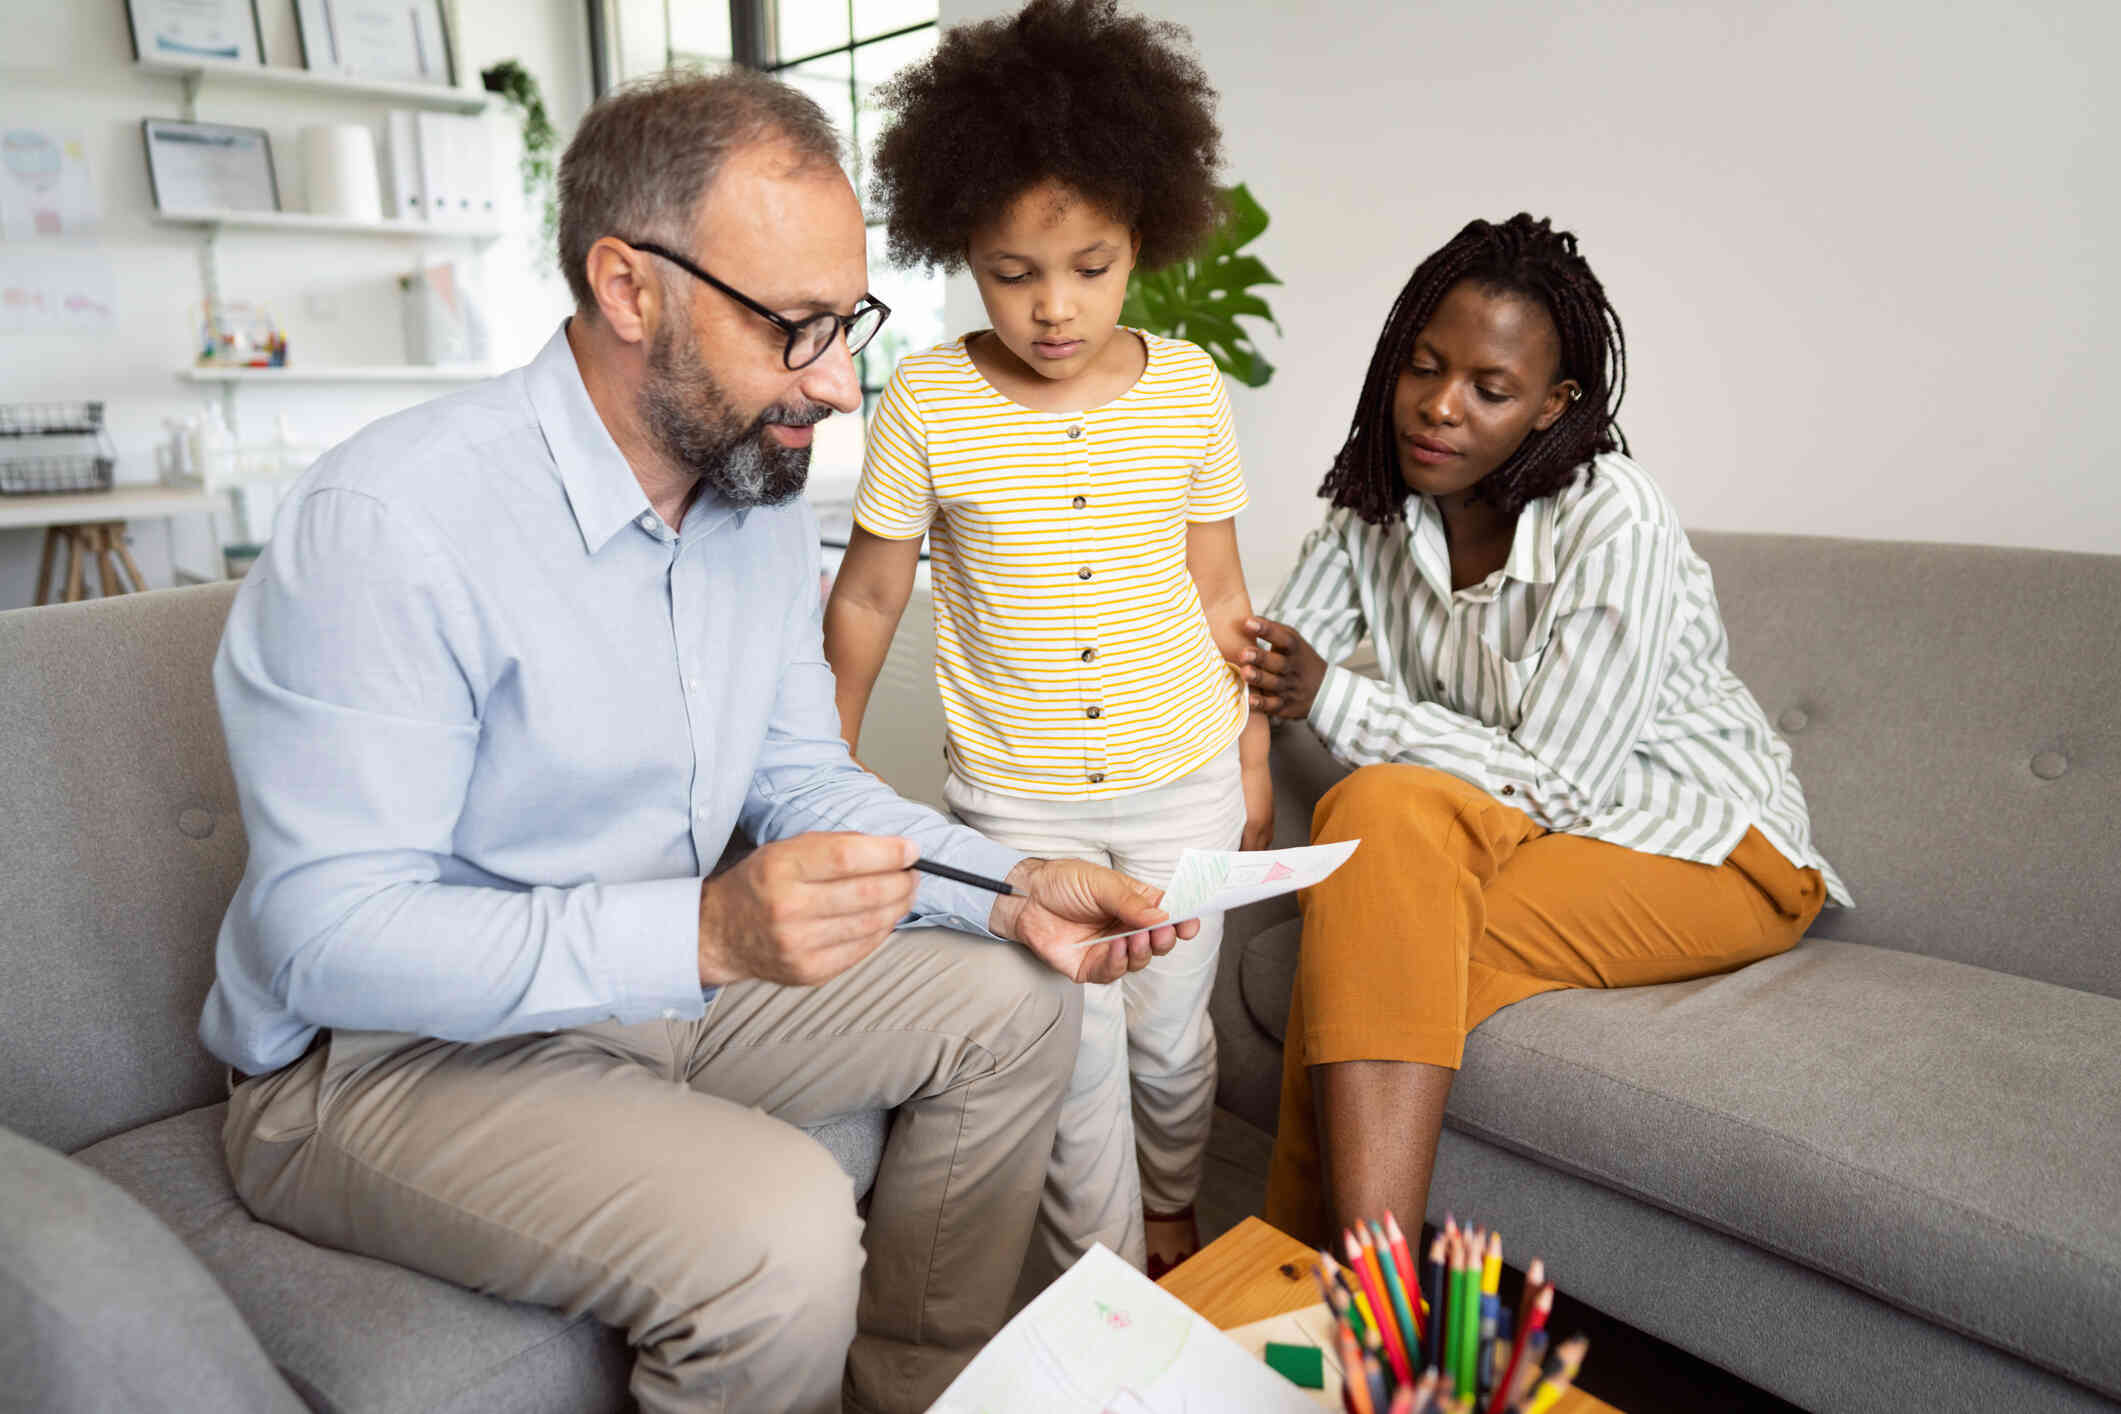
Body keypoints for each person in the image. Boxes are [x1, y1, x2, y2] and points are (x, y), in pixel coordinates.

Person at [200, 70, 1198, 1414]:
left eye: (848, 323)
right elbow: (331, 938)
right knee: (778, 1234)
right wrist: (709, 937)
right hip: (382, 1065)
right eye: (796, 328)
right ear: (628, 289)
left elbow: (799, 776)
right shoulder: (392, 521)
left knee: (1019, 991)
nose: (842, 386)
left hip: (649, 996)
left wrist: (1013, 884)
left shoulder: (753, 503)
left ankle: (918, 1392)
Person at [1229, 214, 1851, 1243]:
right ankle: (1356, 1306)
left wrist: (1333, 695)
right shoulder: (1376, 512)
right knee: (1381, 832)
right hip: (1532, 841)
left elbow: (1557, 784)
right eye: (1422, 367)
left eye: (1490, 387)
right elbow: (1269, 658)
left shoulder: (1615, 517)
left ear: (1553, 406)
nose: (1439, 407)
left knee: (1367, 902)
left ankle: (1318, 1284)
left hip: (1708, 848)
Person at [823, 0, 1268, 1281]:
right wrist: (828, 764)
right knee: (1069, 1057)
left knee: (1170, 1044)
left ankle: (1175, 1206)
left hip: (1181, 773)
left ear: (1146, 239)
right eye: (1015, 274)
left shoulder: (1187, 387)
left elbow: (1220, 586)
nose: (1055, 309)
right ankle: (1115, 1282)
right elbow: (865, 598)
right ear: (959, 243)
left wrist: (1247, 756)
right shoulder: (925, 397)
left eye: (1093, 266)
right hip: (1016, 799)